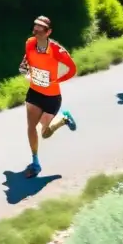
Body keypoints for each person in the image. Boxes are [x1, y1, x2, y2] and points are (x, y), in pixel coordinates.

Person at [18, 15, 77, 178]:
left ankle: (64, 120)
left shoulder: (57, 50)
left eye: (41, 29)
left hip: (52, 97)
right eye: (34, 27)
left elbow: (72, 69)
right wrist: (25, 66)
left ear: (48, 31)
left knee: (44, 133)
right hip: (34, 92)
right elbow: (28, 58)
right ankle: (35, 162)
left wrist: (56, 80)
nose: (36, 31)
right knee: (31, 127)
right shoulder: (29, 43)